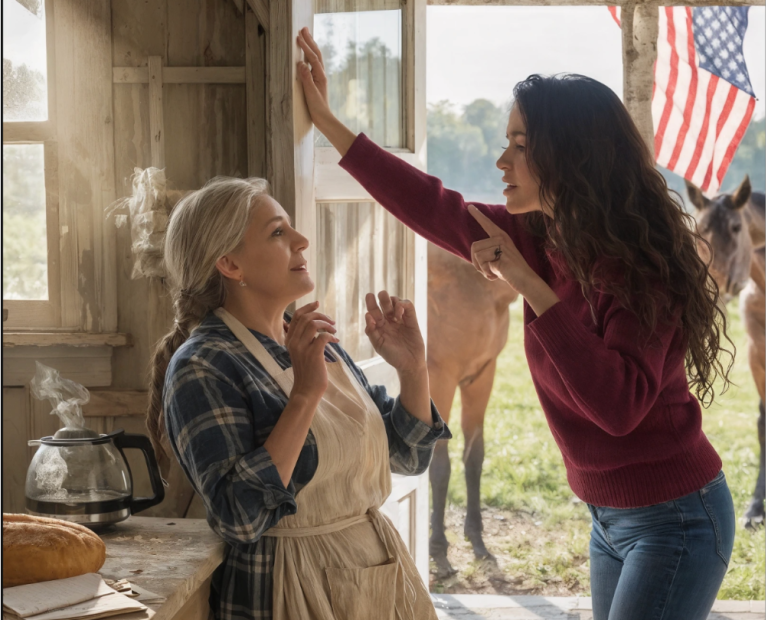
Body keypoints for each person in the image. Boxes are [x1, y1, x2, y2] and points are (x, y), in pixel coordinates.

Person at [297, 27, 737, 620]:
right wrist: (326, 122)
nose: (501, 159)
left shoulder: (636, 266)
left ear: (572, 155)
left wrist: (527, 284)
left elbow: (619, 407)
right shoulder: (541, 235)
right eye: (506, 141)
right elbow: (432, 205)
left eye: (521, 145)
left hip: (676, 519)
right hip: (608, 519)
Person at [145, 176, 450, 620]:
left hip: (376, 577)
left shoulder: (308, 338)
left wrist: (413, 369)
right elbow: (238, 516)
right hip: (286, 587)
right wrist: (304, 395)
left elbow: (407, 455)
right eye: (277, 232)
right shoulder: (204, 365)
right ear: (230, 264)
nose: (301, 239)